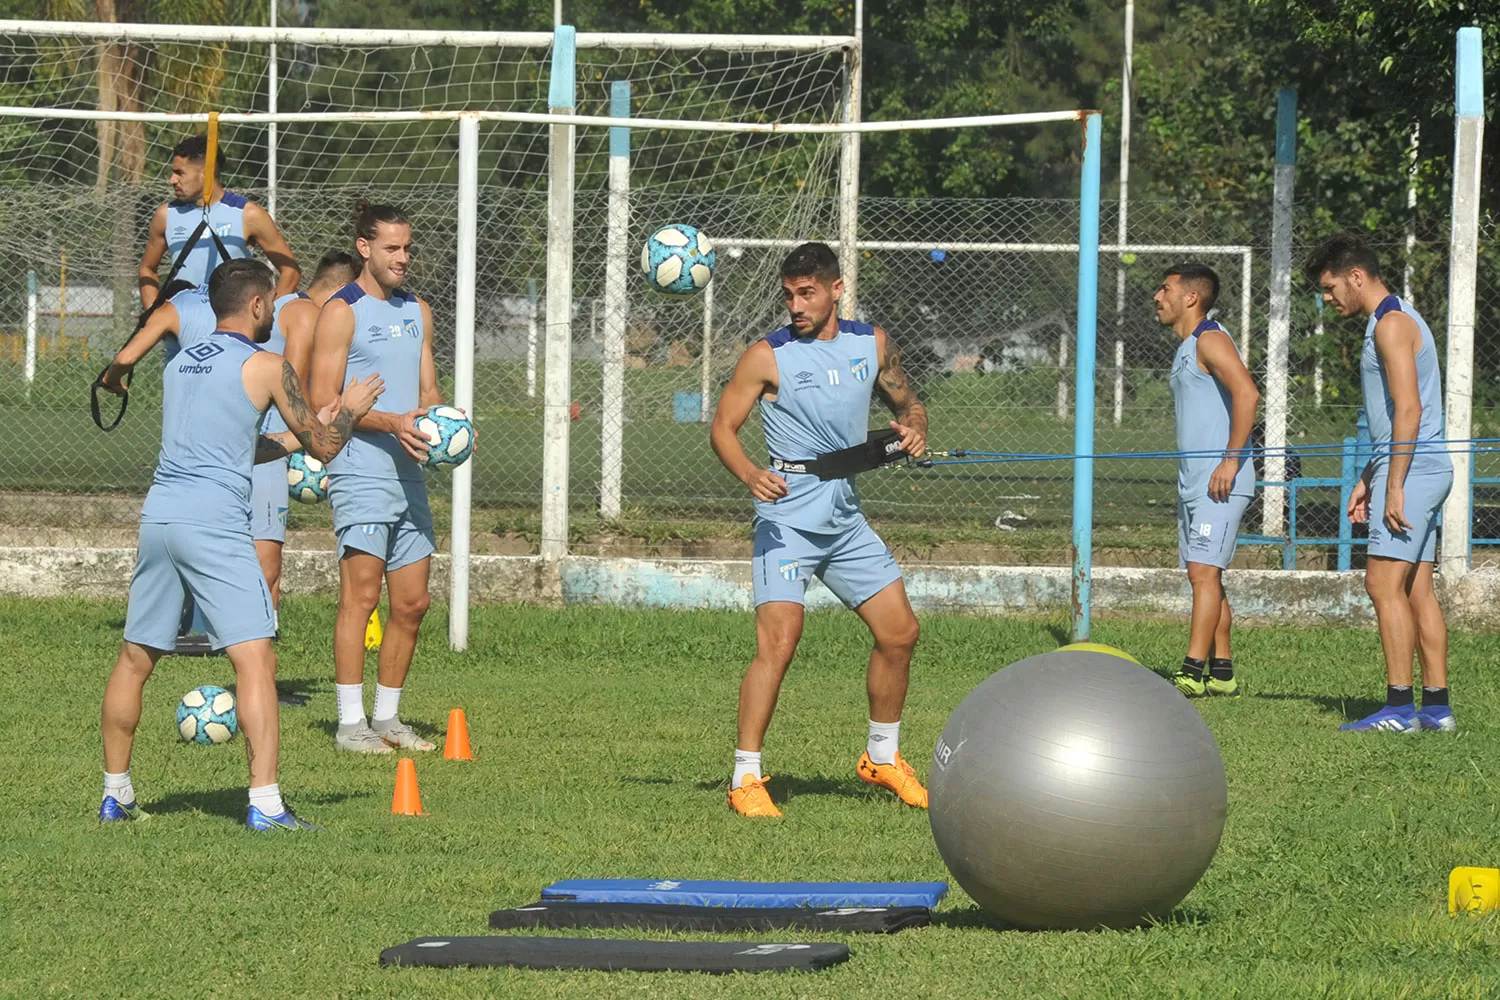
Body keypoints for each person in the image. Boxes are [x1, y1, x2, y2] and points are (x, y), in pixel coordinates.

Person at [99, 259, 383, 830]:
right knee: (256, 660)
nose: (275, 311)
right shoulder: (268, 364)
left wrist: (301, 428)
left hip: (160, 516)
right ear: (256, 305)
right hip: (215, 523)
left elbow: (237, 445)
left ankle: (116, 795)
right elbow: (325, 448)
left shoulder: (181, 366)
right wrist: (347, 412)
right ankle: (267, 806)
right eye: (272, 304)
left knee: (135, 657)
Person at [710, 241, 929, 819]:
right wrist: (751, 473)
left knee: (900, 633)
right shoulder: (767, 356)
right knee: (779, 644)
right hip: (787, 521)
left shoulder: (872, 342)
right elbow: (723, 429)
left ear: (837, 289)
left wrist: (915, 430)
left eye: (807, 293)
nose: (796, 306)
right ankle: (745, 778)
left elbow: (909, 403)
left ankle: (882, 757)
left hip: (844, 519)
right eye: (788, 295)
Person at [1303, 233, 1455, 733]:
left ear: (1356, 277)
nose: (1328, 300)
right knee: (1416, 590)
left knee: (1380, 583)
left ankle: (1396, 708)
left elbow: (1409, 409)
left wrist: (1394, 485)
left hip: (1411, 472)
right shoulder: (1394, 319)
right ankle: (1436, 709)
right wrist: (1371, 474)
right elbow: (1398, 416)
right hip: (1421, 468)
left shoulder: (1391, 324)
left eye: (1329, 288)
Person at [309, 202, 443, 754]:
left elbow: (429, 390)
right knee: (360, 599)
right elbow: (321, 402)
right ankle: (348, 725)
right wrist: (391, 422)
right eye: (392, 248)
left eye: (407, 248)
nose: (403, 258)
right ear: (364, 248)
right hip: (360, 469)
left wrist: (445, 430)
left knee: (412, 602)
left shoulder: (419, 310)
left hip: (409, 472)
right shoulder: (342, 311)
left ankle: (387, 718)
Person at [1154, 264, 1259, 698]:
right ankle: (1222, 672)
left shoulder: (1210, 338)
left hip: (1221, 481)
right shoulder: (1185, 348)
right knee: (1207, 576)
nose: (1157, 296)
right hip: (1195, 483)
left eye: (1165, 289)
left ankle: (1191, 672)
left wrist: (1230, 461)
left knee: (1202, 573)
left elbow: (1248, 393)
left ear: (1191, 298)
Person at [252, 251, 365, 628]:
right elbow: (294, 391)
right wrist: (322, 438)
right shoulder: (308, 316)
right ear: (342, 289)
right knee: (266, 562)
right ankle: (259, 639)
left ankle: (254, 632)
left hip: (248, 441)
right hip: (271, 446)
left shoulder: (282, 306)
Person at [137, 134, 300, 307]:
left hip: (230, 329)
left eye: (180, 173)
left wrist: (267, 315)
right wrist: (153, 314)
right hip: (181, 328)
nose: (172, 180)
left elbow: (291, 270)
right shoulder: (166, 215)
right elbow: (147, 268)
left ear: (205, 174)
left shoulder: (249, 214)